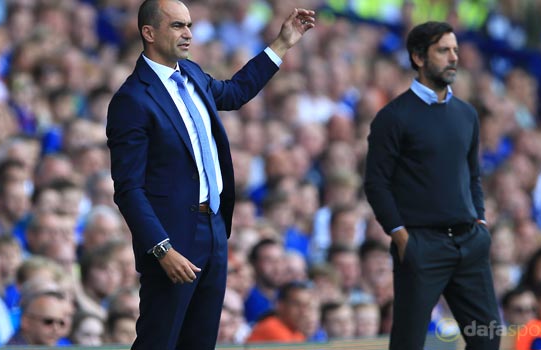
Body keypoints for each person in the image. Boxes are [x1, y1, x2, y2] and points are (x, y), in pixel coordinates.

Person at [105, 1, 315, 349]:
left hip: (214, 231)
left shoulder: (191, 74)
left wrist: (282, 44)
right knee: (159, 341)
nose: (188, 33)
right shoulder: (132, 100)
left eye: (188, 25)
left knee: (200, 342)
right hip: (173, 242)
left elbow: (234, 93)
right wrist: (161, 249)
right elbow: (129, 189)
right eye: (177, 26)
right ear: (149, 32)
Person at [364, 21, 500, 349]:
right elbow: (375, 183)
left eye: (455, 50)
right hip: (421, 246)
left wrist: (480, 221)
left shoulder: (467, 114)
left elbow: (472, 177)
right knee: (408, 343)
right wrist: (401, 237)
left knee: (488, 340)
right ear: (419, 57)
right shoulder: (393, 117)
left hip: (469, 242)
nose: (454, 57)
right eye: (443, 50)